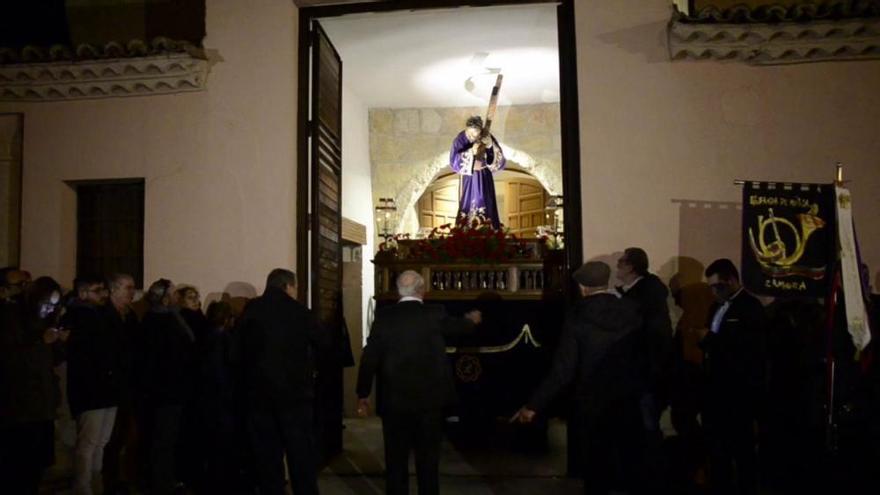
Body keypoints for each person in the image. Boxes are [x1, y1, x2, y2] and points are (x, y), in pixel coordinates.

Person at [512, 261, 644, 495]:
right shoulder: (631, 310)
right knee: (628, 464)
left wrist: (533, 405)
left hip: (592, 403)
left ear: (583, 287)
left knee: (596, 468)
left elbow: (563, 370)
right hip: (628, 400)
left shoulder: (577, 317)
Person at [356, 270, 481, 495]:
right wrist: (471, 321)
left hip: (394, 403)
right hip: (429, 402)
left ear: (398, 291)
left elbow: (370, 357)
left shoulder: (384, 317)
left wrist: (363, 393)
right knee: (428, 461)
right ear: (422, 290)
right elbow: (458, 327)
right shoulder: (434, 313)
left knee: (395, 461)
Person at [234, 268, 323, 495]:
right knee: (300, 454)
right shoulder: (300, 312)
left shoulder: (251, 310)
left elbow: (235, 351)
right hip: (295, 395)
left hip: (259, 396)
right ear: (288, 286)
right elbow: (324, 343)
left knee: (267, 455)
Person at [699, 259, 767, 495]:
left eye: (717, 286)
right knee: (718, 450)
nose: (713, 292)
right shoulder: (716, 307)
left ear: (731, 280)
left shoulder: (750, 307)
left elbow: (750, 348)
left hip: (739, 392)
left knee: (743, 449)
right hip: (716, 390)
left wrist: (712, 339)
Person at [0, 276, 69, 494]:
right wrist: (41, 342)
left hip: (42, 406)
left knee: (36, 465)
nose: (49, 309)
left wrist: (58, 342)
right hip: (20, 406)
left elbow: (52, 359)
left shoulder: (43, 320)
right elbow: (10, 358)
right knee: (18, 465)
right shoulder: (10, 318)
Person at [615, 247, 674, 488]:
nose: (617, 266)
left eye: (621, 262)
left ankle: (649, 480)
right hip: (640, 373)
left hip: (644, 374)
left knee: (647, 428)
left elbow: (654, 338)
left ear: (631, 267)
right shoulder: (638, 294)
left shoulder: (644, 297)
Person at [63, 276, 125, 495]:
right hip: (91, 389)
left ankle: (95, 483)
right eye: (97, 291)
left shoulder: (102, 315)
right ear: (82, 294)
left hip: (107, 387)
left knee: (101, 442)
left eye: (104, 290)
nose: (104, 295)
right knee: (88, 443)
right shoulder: (78, 317)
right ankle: (82, 486)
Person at [140, 278, 196, 495]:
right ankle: (160, 482)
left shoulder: (171, 318)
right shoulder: (157, 322)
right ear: (164, 299)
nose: (176, 297)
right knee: (162, 439)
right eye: (172, 294)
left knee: (168, 438)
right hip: (165, 392)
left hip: (173, 390)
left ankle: (166, 478)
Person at [99, 273, 143, 494]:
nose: (132, 292)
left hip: (127, 384)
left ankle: (117, 478)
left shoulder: (130, 315)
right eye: (128, 288)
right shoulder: (105, 316)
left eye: (132, 288)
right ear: (114, 289)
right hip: (111, 385)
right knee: (109, 437)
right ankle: (108, 479)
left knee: (123, 434)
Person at [449, 115, 506, 228]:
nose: (472, 137)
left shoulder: (487, 136)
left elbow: (500, 161)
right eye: (470, 134)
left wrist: (490, 145)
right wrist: (471, 152)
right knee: (468, 203)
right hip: (469, 177)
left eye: (475, 134)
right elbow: (453, 161)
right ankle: (466, 227)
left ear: (480, 131)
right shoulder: (460, 139)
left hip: (485, 177)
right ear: (466, 129)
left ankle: (488, 226)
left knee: (486, 202)